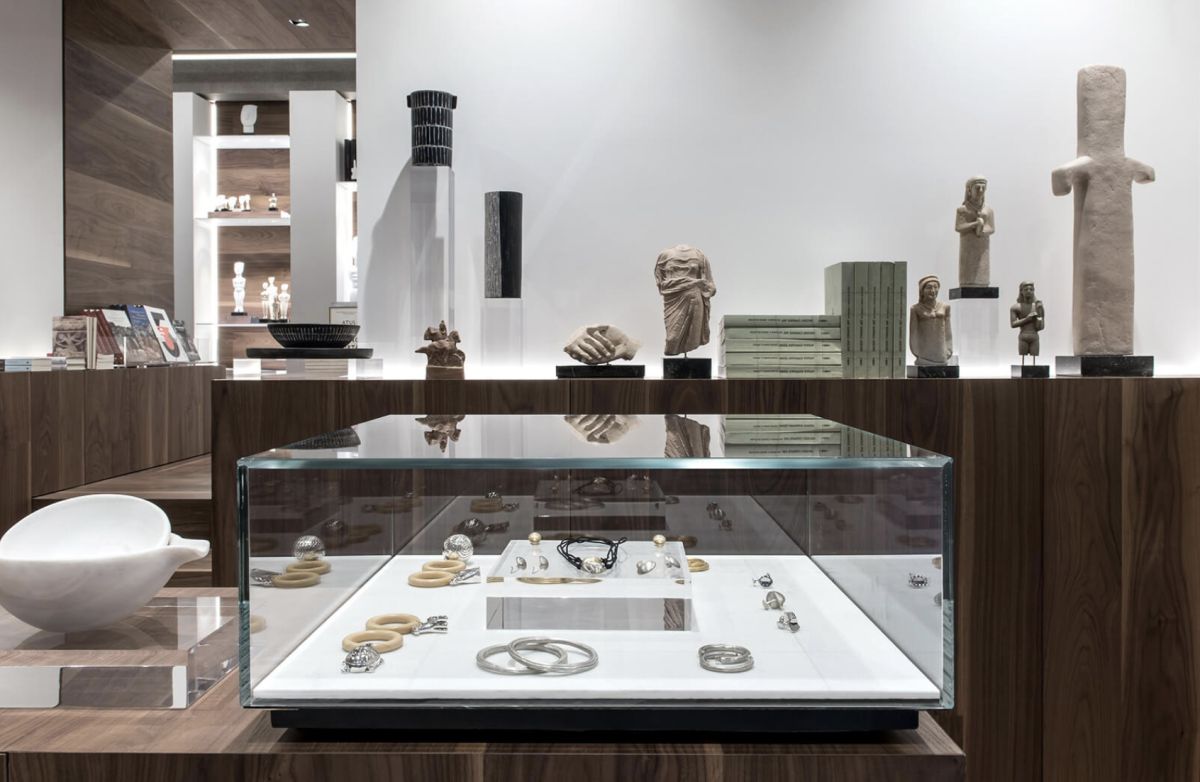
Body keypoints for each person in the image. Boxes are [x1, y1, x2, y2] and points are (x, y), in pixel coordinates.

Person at [654, 245, 716, 355]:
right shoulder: (665, 255)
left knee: (692, 336)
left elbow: (710, 284)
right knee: (672, 338)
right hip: (673, 299)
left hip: (694, 298)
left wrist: (706, 288)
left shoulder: (699, 255)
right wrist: (683, 283)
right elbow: (660, 282)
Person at [955, 176, 995, 287]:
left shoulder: (988, 210)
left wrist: (981, 230)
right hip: (968, 246)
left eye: (983, 188)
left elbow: (991, 228)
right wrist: (975, 224)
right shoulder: (962, 209)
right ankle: (967, 282)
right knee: (968, 273)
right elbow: (959, 227)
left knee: (982, 272)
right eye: (977, 188)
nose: (980, 191)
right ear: (969, 190)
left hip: (982, 247)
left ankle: (983, 282)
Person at [909, 275, 953, 365]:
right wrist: (916, 351)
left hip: (941, 353)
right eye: (929, 288)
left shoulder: (945, 307)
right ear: (922, 291)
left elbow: (948, 331)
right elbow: (913, 333)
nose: (933, 291)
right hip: (924, 353)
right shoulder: (916, 309)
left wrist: (949, 349)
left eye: (935, 287)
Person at [1010, 281, 1045, 365]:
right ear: (1021, 291)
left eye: (1031, 289)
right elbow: (1013, 324)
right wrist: (1027, 319)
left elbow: (1041, 327)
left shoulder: (1037, 306)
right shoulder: (1016, 307)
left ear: (1034, 291)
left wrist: (1039, 316)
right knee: (1023, 359)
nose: (1029, 291)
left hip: (1034, 336)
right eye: (1026, 289)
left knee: (1034, 360)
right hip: (1023, 336)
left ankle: (1033, 369)